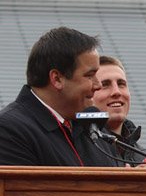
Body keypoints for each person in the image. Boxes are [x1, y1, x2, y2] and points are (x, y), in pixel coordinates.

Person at [0, 26, 120, 166]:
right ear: (57, 79)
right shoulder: (9, 131)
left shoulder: (92, 129)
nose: (98, 85)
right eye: (89, 75)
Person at [92, 55, 145, 164]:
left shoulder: (144, 157)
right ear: (88, 94)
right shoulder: (76, 148)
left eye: (121, 84)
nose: (117, 92)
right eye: (105, 85)